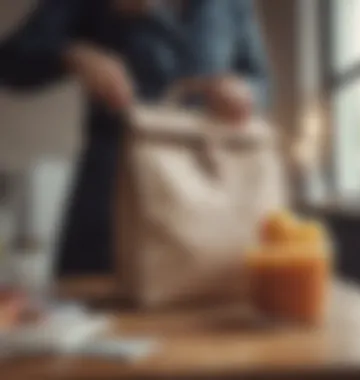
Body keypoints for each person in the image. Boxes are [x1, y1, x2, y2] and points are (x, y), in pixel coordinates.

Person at [0, 0, 271, 276]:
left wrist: (244, 91)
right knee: (93, 310)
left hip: (208, 207)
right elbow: (10, 60)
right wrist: (74, 54)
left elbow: (259, 81)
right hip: (111, 208)